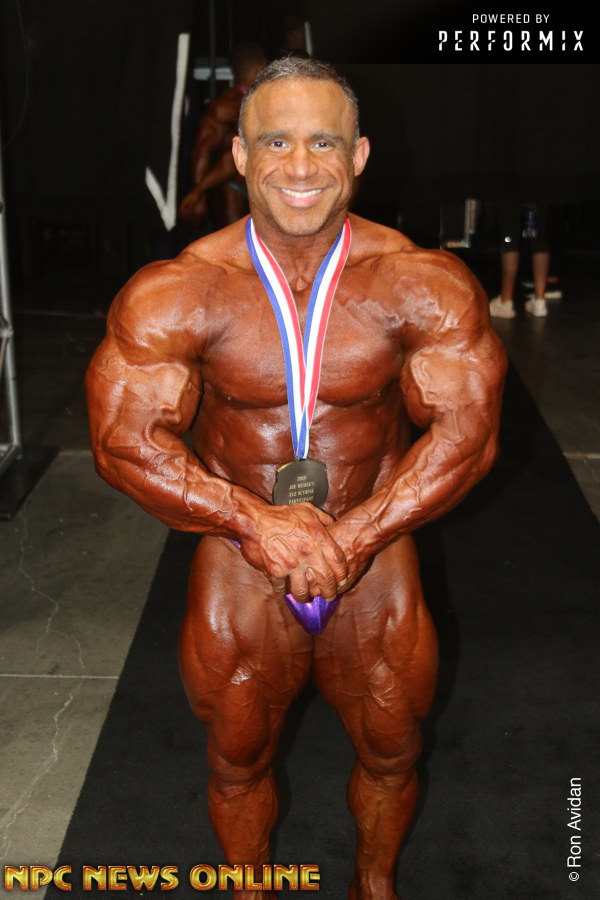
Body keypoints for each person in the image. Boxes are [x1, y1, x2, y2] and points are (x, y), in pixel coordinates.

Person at [87, 58, 507, 900]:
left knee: (393, 748)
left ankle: (374, 886)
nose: (302, 165)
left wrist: (356, 533)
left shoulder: (420, 282)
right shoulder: (180, 291)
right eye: (276, 142)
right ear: (241, 156)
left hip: (374, 545)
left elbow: (468, 437)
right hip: (240, 552)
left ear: (359, 155)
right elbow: (122, 443)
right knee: (236, 756)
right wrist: (254, 521)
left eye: (324, 142)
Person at [178, 42, 266, 230]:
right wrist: (198, 195)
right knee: (236, 245)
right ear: (261, 68)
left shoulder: (261, 103)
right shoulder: (227, 105)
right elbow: (202, 149)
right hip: (233, 191)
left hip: (257, 191)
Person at [489, 199, 551, 318]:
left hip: (512, 190)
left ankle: (505, 301)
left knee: (509, 239)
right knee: (540, 240)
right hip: (540, 189)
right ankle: (539, 301)